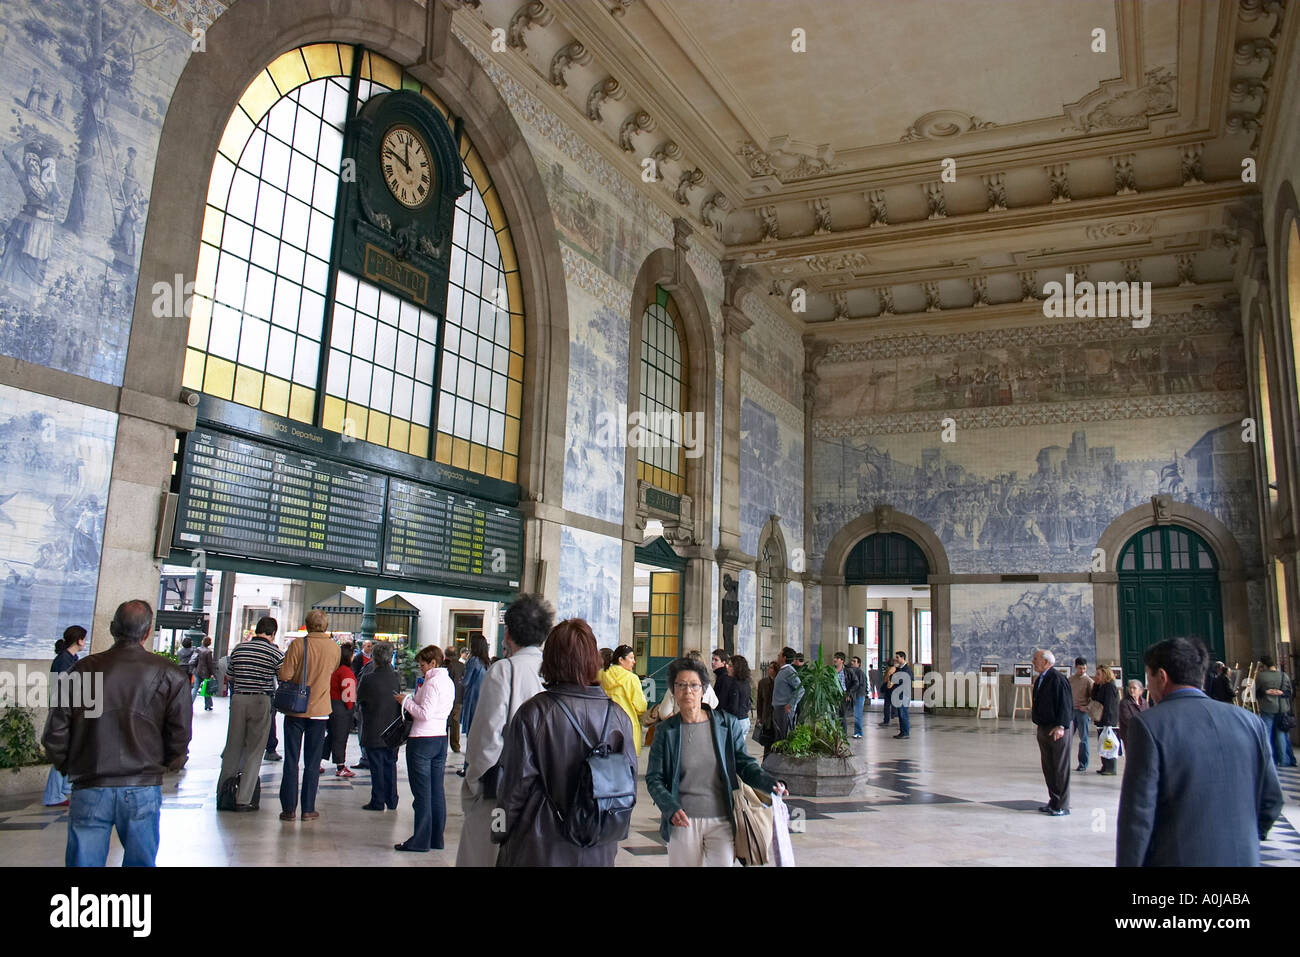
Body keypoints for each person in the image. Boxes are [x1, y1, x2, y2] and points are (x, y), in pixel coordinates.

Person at [41, 600, 191, 866]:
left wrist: (72, 765)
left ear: (112, 628)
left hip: (90, 781)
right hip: (142, 784)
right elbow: (180, 734)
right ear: (147, 633)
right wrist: (165, 764)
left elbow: (55, 733)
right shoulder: (171, 674)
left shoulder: (82, 670)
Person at [1117, 637, 1283, 866]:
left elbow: (1138, 815)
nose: (1148, 687)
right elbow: (1272, 800)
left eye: (1149, 678)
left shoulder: (1149, 725)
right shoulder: (1251, 721)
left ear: (1162, 677)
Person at [493, 618, 636, 867]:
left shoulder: (534, 713)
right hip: (598, 850)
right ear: (594, 660)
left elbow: (512, 790)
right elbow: (628, 786)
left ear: (550, 659)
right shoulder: (619, 717)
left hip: (538, 848)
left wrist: (497, 830)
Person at [645, 656, 787, 867]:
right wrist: (670, 807)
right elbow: (654, 778)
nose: (688, 691)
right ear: (673, 691)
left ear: (703, 690)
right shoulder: (666, 732)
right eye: (681, 685)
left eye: (694, 685)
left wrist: (770, 784)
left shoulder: (726, 725)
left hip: (721, 820)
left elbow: (744, 764)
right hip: (683, 821)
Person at [456, 595, 553, 866]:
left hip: (500, 793)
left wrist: (473, 784)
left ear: (507, 632)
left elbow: (486, 739)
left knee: (486, 854)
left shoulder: (504, 670)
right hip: (541, 795)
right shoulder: (553, 672)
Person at [276, 610, 339, 822]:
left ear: (307, 624)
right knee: (313, 762)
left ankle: (288, 809)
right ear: (326, 625)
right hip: (321, 710)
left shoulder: (297, 645)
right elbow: (331, 671)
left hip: (296, 708)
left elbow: (284, 674)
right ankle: (308, 808)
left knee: (291, 759)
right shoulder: (334, 647)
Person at [394, 645, 454, 851]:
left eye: (422, 665)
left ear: (433, 663)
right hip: (439, 738)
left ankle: (420, 841)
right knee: (437, 791)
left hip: (422, 739)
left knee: (422, 794)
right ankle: (436, 838)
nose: (420, 668)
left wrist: (406, 701)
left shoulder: (432, 683)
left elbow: (424, 713)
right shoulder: (448, 682)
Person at [218, 617, 283, 810]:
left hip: (239, 699)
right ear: (272, 633)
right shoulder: (274, 652)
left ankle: (223, 794)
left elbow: (230, 674)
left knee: (233, 747)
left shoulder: (239, 648)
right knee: (255, 751)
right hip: (261, 700)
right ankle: (243, 798)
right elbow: (282, 676)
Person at [43, 626, 87, 806]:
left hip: (69, 711)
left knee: (70, 750)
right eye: (84, 639)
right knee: (62, 751)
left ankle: (64, 789)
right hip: (64, 712)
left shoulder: (72, 659)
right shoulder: (64, 661)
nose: (85, 642)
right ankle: (53, 795)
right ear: (78, 640)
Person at [357, 640, 402, 812]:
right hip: (392, 729)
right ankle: (392, 799)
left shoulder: (368, 679)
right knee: (390, 764)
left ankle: (377, 801)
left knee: (376, 766)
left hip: (374, 728)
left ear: (374, 659)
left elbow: (360, 699)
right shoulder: (396, 676)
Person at [1031, 649, 1073, 816]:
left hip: (1057, 729)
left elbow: (1066, 704)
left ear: (1046, 662)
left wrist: (1061, 726)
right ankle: (1053, 801)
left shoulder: (1058, 679)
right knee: (1049, 767)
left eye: (1036, 659)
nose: (1033, 661)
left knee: (1060, 768)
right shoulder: (1041, 679)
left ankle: (1062, 804)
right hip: (1044, 727)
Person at [601, 644, 648, 754]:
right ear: (621, 660)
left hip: (605, 724)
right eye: (631, 658)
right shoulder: (632, 679)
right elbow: (640, 707)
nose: (634, 661)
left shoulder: (601, 675)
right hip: (628, 726)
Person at [1255, 655, 1298, 767]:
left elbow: (1256, 692)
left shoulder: (1260, 676)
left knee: (1267, 734)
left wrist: (1266, 692)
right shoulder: (1284, 676)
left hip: (1267, 708)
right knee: (1281, 735)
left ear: (1264, 665)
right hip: (1282, 708)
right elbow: (1290, 692)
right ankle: (1284, 760)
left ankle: (1270, 760)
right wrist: (1281, 693)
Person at [458, 633, 491, 772]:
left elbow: (466, 681)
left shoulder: (473, 661)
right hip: (483, 700)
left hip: (472, 699)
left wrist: (460, 679)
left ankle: (467, 766)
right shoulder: (486, 662)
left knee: (471, 736)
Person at [324, 644, 356, 777]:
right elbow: (348, 694)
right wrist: (351, 708)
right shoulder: (346, 671)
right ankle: (340, 766)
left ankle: (317, 761)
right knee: (340, 737)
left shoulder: (335, 669)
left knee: (331, 736)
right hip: (341, 708)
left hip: (331, 705)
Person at [1090, 664, 1120, 775]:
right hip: (1101, 720)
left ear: (1105, 674)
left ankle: (1111, 767)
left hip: (1108, 721)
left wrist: (1108, 721)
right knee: (1102, 743)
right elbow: (1094, 698)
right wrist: (1096, 685)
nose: (1096, 676)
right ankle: (1105, 765)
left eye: (1098, 674)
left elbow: (1109, 705)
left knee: (1109, 743)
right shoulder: (1102, 686)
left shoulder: (1110, 687)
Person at [771, 647, 802, 741]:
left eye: (779, 655)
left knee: (783, 737)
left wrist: (791, 704)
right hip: (778, 708)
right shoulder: (783, 671)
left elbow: (800, 689)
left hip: (783, 709)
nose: (778, 656)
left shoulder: (789, 671)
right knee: (778, 736)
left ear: (784, 658)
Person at [1068, 656, 1094, 771]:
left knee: (1084, 738)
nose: (1082, 671)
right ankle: (1064, 762)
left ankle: (1083, 763)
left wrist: (1087, 707)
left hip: (1083, 713)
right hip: (1071, 711)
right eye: (1080, 668)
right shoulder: (1071, 680)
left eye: (1084, 668)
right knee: (1067, 738)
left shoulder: (1089, 681)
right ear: (1075, 667)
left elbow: (1093, 698)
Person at [722, 654, 753, 741]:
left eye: (731, 666)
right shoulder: (746, 682)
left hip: (737, 720)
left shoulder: (735, 684)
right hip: (744, 718)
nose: (727, 667)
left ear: (737, 668)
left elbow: (734, 707)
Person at [445, 639, 466, 754]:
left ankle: (444, 744)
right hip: (458, 697)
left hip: (446, 698)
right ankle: (456, 746)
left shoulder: (446, 666)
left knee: (444, 721)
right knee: (455, 722)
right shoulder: (462, 666)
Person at [1117, 679, 1146, 754]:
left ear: (1141, 691)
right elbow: (1127, 719)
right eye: (1130, 688)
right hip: (1129, 735)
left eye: (1134, 688)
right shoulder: (1124, 703)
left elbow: (1148, 716)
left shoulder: (1145, 702)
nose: (1131, 690)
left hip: (1143, 734)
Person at [888, 651, 913, 739]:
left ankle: (905, 733)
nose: (896, 659)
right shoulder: (899, 668)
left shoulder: (907, 669)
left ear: (902, 658)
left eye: (897, 657)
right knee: (900, 713)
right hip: (899, 694)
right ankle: (902, 732)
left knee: (903, 713)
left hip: (904, 694)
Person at [755, 660, 776, 756]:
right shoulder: (763, 683)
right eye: (769, 667)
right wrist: (759, 716)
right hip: (767, 716)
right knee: (767, 741)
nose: (769, 669)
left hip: (776, 716)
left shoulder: (779, 682)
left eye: (772, 668)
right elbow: (760, 701)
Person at [848, 656, 868, 738]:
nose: (852, 662)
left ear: (858, 664)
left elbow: (862, 686)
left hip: (858, 696)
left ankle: (859, 732)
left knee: (857, 714)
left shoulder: (860, 673)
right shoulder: (851, 672)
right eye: (852, 661)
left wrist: (853, 694)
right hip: (853, 695)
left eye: (854, 661)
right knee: (855, 714)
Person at [832, 652, 851, 735]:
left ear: (842, 661)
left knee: (842, 715)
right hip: (833, 695)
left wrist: (849, 693)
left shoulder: (848, 671)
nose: (835, 659)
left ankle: (843, 734)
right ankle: (834, 732)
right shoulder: (831, 670)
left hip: (843, 695)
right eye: (834, 657)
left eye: (837, 658)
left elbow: (855, 682)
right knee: (832, 714)